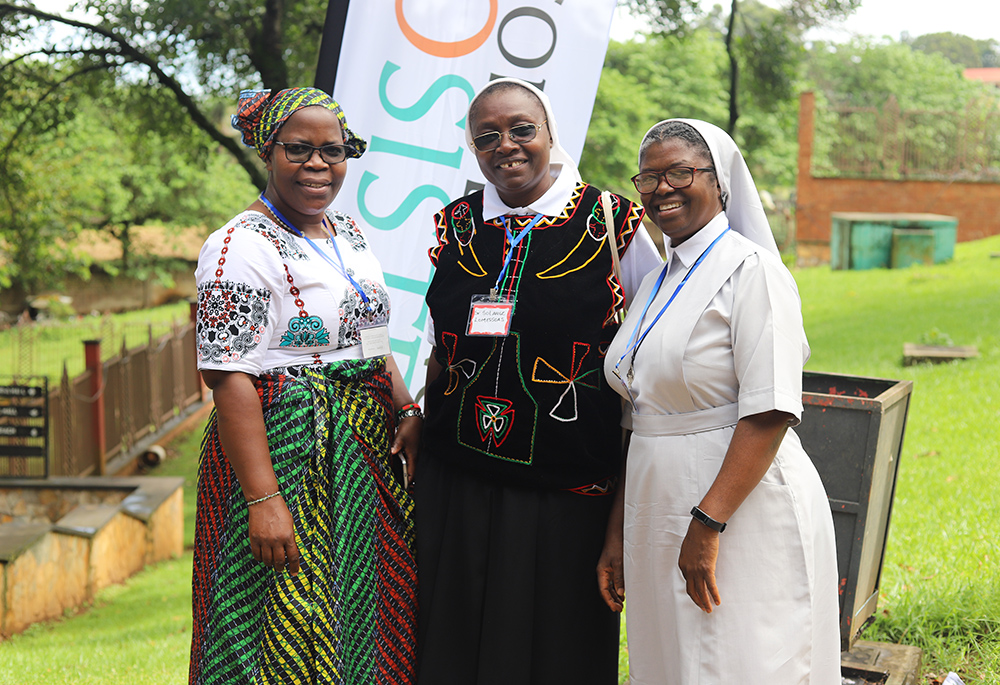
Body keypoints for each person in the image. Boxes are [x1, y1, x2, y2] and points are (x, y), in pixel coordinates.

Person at [417, 78, 662, 684]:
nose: (506, 145)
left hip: (566, 486)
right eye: (487, 136)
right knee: (456, 635)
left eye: (522, 129)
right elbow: (437, 346)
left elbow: (656, 345)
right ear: (473, 149)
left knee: (558, 643)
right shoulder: (454, 225)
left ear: (551, 133)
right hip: (460, 476)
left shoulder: (612, 224)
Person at [189, 87, 420, 685]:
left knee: (364, 610)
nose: (318, 164)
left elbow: (374, 343)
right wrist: (263, 500)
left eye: (332, 150)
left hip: (360, 450)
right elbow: (228, 375)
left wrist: (409, 410)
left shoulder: (348, 231)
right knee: (277, 622)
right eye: (299, 149)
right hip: (282, 450)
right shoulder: (237, 247)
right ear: (269, 152)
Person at [598, 119, 840, 684]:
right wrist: (617, 532)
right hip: (656, 504)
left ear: (720, 181)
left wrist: (707, 526)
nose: (663, 189)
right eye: (649, 177)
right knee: (677, 661)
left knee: (742, 658)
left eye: (680, 172)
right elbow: (642, 416)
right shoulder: (661, 279)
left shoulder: (753, 271)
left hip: (737, 507)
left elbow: (771, 409)